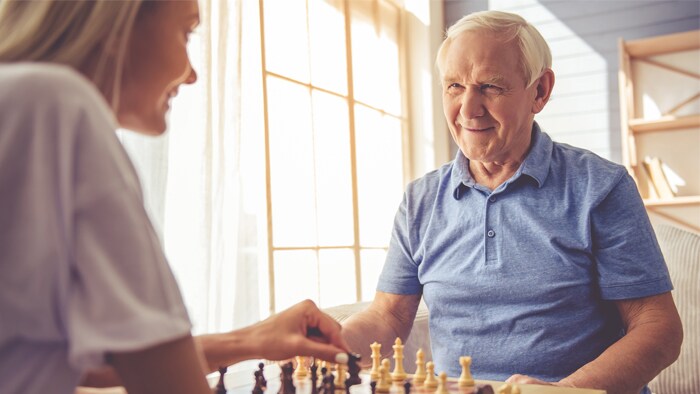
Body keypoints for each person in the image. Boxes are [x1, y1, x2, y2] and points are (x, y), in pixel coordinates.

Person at [0, 2, 349, 394]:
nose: (193, 74)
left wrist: (251, 339)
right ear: (118, 23)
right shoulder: (58, 105)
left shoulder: (20, 100)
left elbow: (70, 361)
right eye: (187, 33)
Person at [342, 10, 683, 394]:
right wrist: (332, 345)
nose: (468, 109)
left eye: (490, 86)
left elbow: (658, 328)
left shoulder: (601, 186)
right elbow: (387, 317)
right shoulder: (419, 200)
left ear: (539, 91)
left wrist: (566, 391)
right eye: (454, 86)